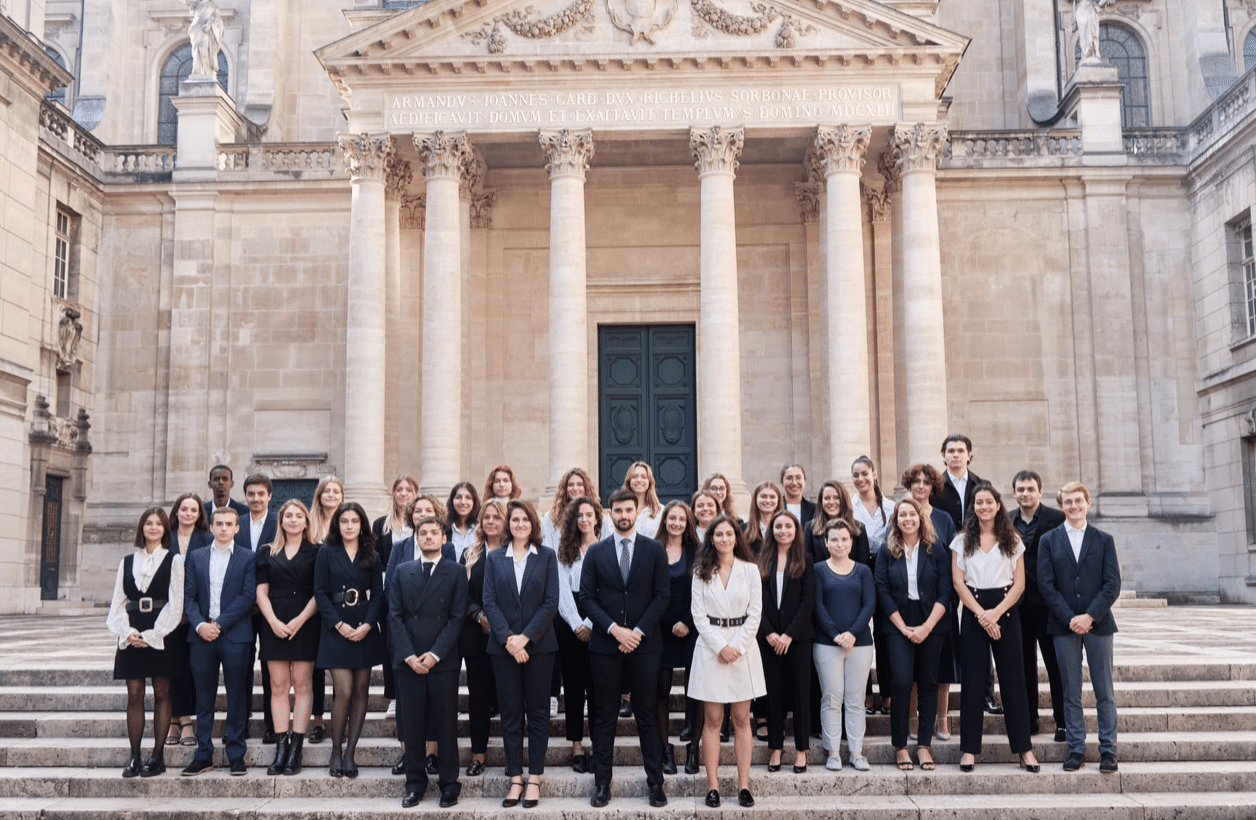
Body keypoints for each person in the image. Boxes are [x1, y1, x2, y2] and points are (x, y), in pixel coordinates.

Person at [577, 488, 670, 809]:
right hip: (605, 644)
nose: (623, 515)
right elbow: (586, 598)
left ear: (636, 511)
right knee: (604, 716)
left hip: (645, 646)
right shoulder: (596, 552)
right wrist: (615, 630)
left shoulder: (654, 550)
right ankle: (602, 783)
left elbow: (662, 596)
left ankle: (656, 783)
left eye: (628, 509)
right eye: (617, 510)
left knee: (647, 714)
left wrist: (638, 631)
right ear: (610, 513)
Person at [951, 483, 1040, 773]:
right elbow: (957, 582)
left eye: (989, 502)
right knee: (973, 683)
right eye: (979, 503)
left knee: (1014, 682)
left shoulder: (1012, 539)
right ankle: (969, 751)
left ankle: (1024, 750)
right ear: (973, 507)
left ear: (998, 505)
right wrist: (982, 615)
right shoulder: (962, 540)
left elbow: (1020, 583)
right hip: (975, 611)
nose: (984, 507)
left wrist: (997, 613)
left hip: (1006, 610)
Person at [1038, 482, 1121, 774]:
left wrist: (1089, 616)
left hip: (1099, 625)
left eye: (1078, 501)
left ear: (1087, 503)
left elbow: (1112, 584)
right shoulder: (1049, 540)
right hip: (1063, 627)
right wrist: (1070, 618)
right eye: (1067, 502)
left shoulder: (1103, 539)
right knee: (1070, 691)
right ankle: (1076, 748)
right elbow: (1046, 585)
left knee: (1104, 691)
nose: (1073, 506)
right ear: (1062, 507)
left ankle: (1108, 750)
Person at [483, 500, 560, 808]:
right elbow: (489, 603)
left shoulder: (546, 557)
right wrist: (509, 641)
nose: (519, 525)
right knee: (511, 714)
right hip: (503, 650)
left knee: (539, 714)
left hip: (539, 648)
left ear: (533, 524)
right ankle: (515, 778)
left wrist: (525, 638)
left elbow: (551, 602)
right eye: (514, 520)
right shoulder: (494, 559)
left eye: (524, 520)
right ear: (507, 524)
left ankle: (535, 779)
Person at [389, 516, 469, 808]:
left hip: (442, 660)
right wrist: (409, 655)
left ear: (444, 539)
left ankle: (449, 784)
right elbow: (394, 616)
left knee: (446, 725)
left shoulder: (457, 572)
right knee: (413, 726)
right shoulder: (401, 571)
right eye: (423, 533)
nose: (429, 538)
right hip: (408, 661)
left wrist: (434, 654)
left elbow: (457, 617)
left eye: (435, 533)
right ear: (417, 538)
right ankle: (415, 784)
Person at [689, 515, 764, 808]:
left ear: (737, 537)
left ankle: (744, 785)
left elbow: (755, 612)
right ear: (711, 539)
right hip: (711, 647)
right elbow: (698, 614)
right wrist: (721, 646)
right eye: (718, 534)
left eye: (728, 534)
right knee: (713, 719)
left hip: (743, 648)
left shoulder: (749, 570)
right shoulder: (700, 570)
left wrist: (737, 646)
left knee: (742, 718)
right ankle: (713, 786)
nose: (723, 539)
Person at [107, 507, 185, 778]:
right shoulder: (127, 561)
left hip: (162, 632)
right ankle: (134, 756)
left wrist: (154, 635)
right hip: (132, 631)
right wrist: (127, 632)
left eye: (158, 524)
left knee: (162, 693)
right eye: (148, 523)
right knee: (134, 694)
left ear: (165, 529)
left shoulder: (174, 560)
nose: (153, 528)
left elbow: (176, 604)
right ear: (141, 528)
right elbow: (118, 602)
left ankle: (158, 755)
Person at [874, 498, 950, 772]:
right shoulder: (887, 550)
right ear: (895, 520)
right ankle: (901, 747)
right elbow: (881, 590)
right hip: (897, 622)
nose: (907, 518)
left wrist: (927, 626)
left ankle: (924, 746)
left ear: (920, 518)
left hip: (932, 622)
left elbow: (945, 591)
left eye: (912, 514)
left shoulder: (936, 549)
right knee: (902, 681)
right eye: (902, 514)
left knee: (928, 683)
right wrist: (902, 626)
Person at [182, 506, 256, 776]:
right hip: (201, 636)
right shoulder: (197, 557)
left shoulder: (248, 558)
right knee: (203, 698)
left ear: (237, 528)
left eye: (229, 524)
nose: (224, 528)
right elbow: (188, 597)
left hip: (235, 635)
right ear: (211, 527)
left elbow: (248, 597)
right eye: (219, 523)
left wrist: (220, 624)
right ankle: (203, 754)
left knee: (237, 697)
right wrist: (201, 624)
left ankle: (236, 753)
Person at [314, 501, 385, 778]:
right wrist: (339, 624)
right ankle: (335, 749)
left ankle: (350, 753)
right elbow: (320, 593)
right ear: (337, 524)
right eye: (344, 521)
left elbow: (378, 594)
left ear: (362, 525)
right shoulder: (326, 552)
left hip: (364, 627)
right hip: (336, 628)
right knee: (342, 690)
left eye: (354, 521)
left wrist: (368, 624)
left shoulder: (373, 555)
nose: (349, 526)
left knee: (361, 691)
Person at [255, 499, 321, 776]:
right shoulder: (267, 552)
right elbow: (261, 592)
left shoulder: (318, 552)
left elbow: (320, 592)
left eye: (298, 516)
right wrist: (272, 621)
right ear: (280, 521)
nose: (293, 520)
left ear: (307, 521)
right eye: (288, 516)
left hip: (305, 621)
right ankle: (280, 747)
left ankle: (296, 747)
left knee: (303, 685)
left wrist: (299, 620)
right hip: (274, 623)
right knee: (278, 686)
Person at [812, 519, 875, 771]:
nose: (839, 544)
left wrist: (852, 633)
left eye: (844, 539)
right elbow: (817, 606)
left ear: (851, 542)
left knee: (855, 698)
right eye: (834, 539)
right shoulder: (818, 569)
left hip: (860, 644)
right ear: (826, 543)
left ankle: (856, 752)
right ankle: (833, 752)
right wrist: (836, 634)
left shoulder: (863, 570)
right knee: (831, 696)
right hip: (827, 644)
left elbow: (869, 604)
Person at [902, 463, 958, 741]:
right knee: (912, 665)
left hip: (940, 601)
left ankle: (942, 719)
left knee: (941, 665)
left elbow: (951, 560)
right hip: (910, 603)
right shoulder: (902, 515)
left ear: (932, 487)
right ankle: (913, 718)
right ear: (909, 485)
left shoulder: (945, 519)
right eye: (916, 482)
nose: (921, 486)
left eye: (926, 482)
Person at [1011, 470, 1067, 740]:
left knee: (1055, 664)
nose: (1025, 493)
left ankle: (1063, 721)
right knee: (1023, 665)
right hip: (1018, 605)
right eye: (1020, 489)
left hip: (1048, 605)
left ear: (1040, 492)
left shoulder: (1057, 519)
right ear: (1014, 493)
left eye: (1030, 489)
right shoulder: (1006, 521)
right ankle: (1029, 719)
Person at [756, 510, 814, 774]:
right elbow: (754, 602)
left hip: (798, 639)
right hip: (768, 639)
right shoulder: (761, 561)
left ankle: (801, 751)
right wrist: (768, 632)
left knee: (801, 693)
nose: (782, 530)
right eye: (778, 526)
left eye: (788, 526)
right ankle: (776, 748)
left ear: (796, 530)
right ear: (772, 530)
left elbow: (807, 602)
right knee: (773, 694)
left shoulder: (806, 560)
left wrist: (789, 634)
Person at [651, 500, 700, 775]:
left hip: (691, 630)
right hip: (659, 631)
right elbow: (645, 590)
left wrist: (688, 622)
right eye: (672, 518)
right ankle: (664, 750)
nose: (676, 523)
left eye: (682, 519)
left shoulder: (698, 551)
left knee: (697, 692)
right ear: (665, 520)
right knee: (660, 692)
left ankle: (694, 749)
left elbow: (706, 592)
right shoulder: (652, 549)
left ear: (688, 522)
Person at [459, 498, 507, 777]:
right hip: (477, 636)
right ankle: (478, 755)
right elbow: (460, 593)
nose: (490, 522)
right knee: (478, 699)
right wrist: (479, 616)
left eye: (496, 517)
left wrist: (500, 623)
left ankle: (514, 757)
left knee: (511, 698)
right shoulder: (469, 553)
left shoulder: (517, 552)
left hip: (509, 637)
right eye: (486, 517)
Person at [554, 496, 601, 775]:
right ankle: (576, 747)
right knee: (573, 689)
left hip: (598, 623)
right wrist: (575, 623)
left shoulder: (605, 548)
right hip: (569, 624)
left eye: (589, 515)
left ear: (596, 517)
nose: (584, 519)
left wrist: (591, 623)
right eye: (579, 515)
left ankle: (598, 746)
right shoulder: (564, 551)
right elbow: (561, 589)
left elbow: (607, 590)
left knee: (597, 688)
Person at [166, 493, 211, 747]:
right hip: (168, 616)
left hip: (196, 615)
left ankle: (184, 719)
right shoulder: (164, 538)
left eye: (193, 510)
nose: (189, 514)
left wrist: (191, 613)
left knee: (190, 668)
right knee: (172, 667)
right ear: (176, 512)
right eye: (184, 509)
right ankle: (177, 720)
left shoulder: (207, 539)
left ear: (199, 514)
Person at [237, 473, 279, 742]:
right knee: (240, 665)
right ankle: (239, 722)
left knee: (269, 666)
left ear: (269, 496)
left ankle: (271, 724)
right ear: (246, 496)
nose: (255, 498)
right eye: (251, 494)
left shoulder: (279, 523)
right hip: (240, 607)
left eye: (260, 494)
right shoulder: (236, 522)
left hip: (270, 605)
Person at [851, 456, 895, 714]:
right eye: (856, 475)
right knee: (861, 634)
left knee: (884, 634)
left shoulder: (890, 506)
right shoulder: (849, 507)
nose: (861, 479)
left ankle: (887, 693)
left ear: (874, 474)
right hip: (859, 571)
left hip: (885, 574)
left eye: (865, 474)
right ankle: (866, 694)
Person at [306, 475, 343, 746]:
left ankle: (339, 717)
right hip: (311, 604)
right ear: (319, 496)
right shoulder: (309, 527)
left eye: (336, 491)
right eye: (326, 491)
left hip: (340, 606)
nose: (331, 495)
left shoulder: (348, 524)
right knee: (315, 667)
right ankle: (317, 719)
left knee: (338, 667)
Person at [806, 480, 870, 567]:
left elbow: (863, 565)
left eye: (837, 498)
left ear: (844, 500)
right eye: (827, 498)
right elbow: (807, 564)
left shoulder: (859, 528)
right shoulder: (810, 528)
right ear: (821, 501)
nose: (831, 502)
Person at [542, 467, 610, 549]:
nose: (575, 488)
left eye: (579, 484)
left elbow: (606, 545)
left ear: (586, 488)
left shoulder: (600, 517)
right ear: (565, 489)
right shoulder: (551, 517)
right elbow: (547, 547)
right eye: (570, 485)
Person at [622, 461, 664, 542]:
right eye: (635, 476)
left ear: (650, 482)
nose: (639, 480)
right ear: (629, 481)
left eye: (644, 477)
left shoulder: (661, 511)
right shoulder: (619, 510)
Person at [744, 480, 784, 556]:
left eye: (772, 497)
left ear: (778, 500)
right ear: (755, 499)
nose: (768, 500)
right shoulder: (743, 530)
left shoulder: (786, 529)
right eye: (763, 496)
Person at [446, 482, 480, 560]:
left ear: (474, 502)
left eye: (468, 497)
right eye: (458, 497)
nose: (463, 502)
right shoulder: (444, 529)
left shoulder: (480, 529)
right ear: (452, 501)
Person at [780, 463, 815, 530]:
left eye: (798, 478)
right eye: (789, 478)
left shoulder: (815, 509)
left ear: (805, 481)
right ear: (782, 482)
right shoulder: (774, 508)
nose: (794, 483)